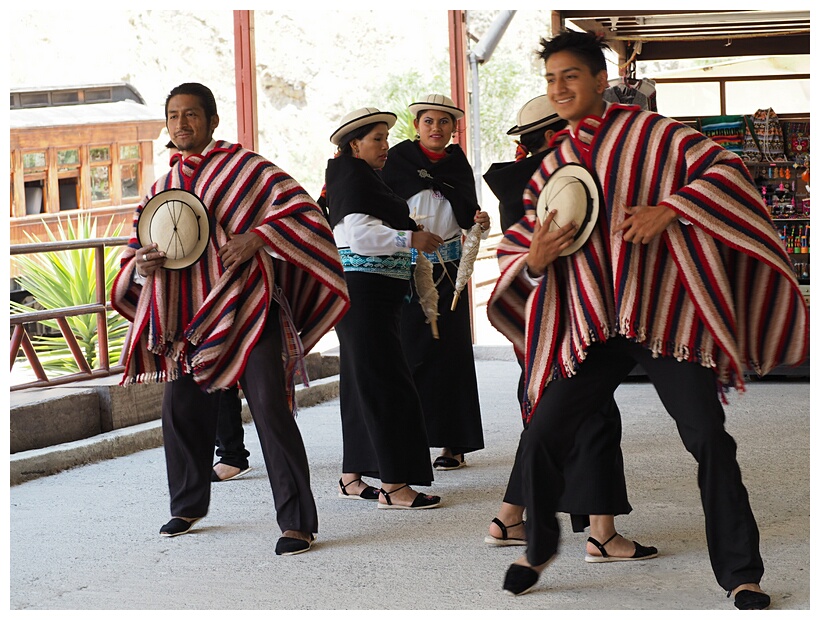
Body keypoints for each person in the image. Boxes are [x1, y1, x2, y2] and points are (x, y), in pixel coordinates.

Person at [488, 31, 807, 609]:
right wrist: (533, 262)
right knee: (541, 435)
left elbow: (727, 169)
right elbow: (523, 246)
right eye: (550, 79)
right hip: (588, 323)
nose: (560, 88)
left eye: (571, 76)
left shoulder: (656, 135)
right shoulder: (550, 166)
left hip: (662, 317)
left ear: (598, 80)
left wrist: (672, 209)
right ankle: (536, 548)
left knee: (709, 438)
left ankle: (741, 573)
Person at [111, 82, 349, 556]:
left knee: (270, 410)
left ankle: (297, 523)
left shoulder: (248, 169)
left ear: (213, 120)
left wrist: (258, 237)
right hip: (186, 316)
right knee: (180, 411)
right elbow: (137, 246)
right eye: (174, 115)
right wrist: (142, 264)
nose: (182, 123)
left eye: (192, 114)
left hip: (249, 309)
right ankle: (187, 505)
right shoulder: (162, 188)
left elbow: (303, 212)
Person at [483, 95, 656, 562]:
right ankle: (602, 535)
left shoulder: (520, 182)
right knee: (594, 416)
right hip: (567, 319)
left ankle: (509, 517)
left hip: (533, 321)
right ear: (552, 135)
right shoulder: (558, 181)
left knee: (549, 420)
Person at [325, 106, 443, 509]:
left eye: (386, 138)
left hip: (371, 297)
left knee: (363, 385)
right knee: (387, 385)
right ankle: (395, 486)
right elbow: (359, 236)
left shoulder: (357, 179)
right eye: (377, 139)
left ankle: (351, 477)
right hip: (366, 297)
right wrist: (411, 240)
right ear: (354, 145)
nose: (385, 146)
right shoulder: (353, 180)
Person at [380, 93, 489, 471]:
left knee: (450, 356)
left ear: (454, 129)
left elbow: (465, 215)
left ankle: (452, 443)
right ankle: (406, 440)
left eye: (444, 122)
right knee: (408, 353)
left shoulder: (458, 165)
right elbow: (380, 208)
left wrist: (478, 222)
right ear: (416, 125)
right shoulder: (395, 161)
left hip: (449, 274)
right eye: (429, 121)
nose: (436, 128)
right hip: (406, 270)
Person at [163, 140, 251, 485]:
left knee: (223, 375)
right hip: (190, 292)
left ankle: (231, 454)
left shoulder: (228, 172)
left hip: (228, 286)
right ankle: (227, 454)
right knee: (210, 374)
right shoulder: (171, 181)